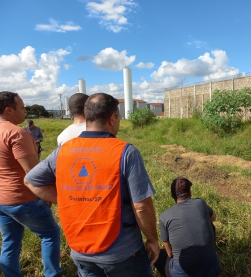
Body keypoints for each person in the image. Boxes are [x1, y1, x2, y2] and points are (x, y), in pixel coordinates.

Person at [25, 92, 159, 277]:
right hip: (122, 253)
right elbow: (141, 206)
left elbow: (31, 181)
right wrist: (152, 239)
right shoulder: (126, 152)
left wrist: (69, 198)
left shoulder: (63, 150)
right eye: (118, 117)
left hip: (80, 251)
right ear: (113, 118)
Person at [0, 91, 61, 277]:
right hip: (23, 198)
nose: (25, 111)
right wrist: (47, 193)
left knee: (10, 241)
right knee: (50, 234)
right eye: (22, 107)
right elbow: (35, 174)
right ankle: (52, 274)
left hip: (3, 200)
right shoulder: (17, 133)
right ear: (9, 110)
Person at [156, 177, 220, 277]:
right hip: (213, 271)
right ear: (190, 192)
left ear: (172, 196)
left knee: (159, 255)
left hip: (183, 273)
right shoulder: (200, 203)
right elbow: (213, 217)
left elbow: (169, 253)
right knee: (210, 225)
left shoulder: (164, 216)